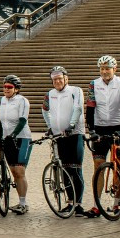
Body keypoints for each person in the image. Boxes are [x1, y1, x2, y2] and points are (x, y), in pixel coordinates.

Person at [86, 55, 120, 218]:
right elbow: (90, 108)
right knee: (98, 165)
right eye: (102, 69)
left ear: (115, 69)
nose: (104, 72)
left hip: (117, 127)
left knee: (117, 165)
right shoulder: (94, 84)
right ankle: (96, 204)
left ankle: (116, 203)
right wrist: (91, 129)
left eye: (107, 68)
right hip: (100, 127)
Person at [42, 67, 87, 216]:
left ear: (66, 78)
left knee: (75, 168)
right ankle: (69, 203)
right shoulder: (50, 94)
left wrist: (72, 125)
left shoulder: (75, 91)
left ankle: (78, 204)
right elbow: (44, 109)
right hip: (59, 136)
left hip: (75, 134)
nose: (57, 81)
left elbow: (78, 108)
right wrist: (50, 126)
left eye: (60, 78)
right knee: (65, 169)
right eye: (54, 79)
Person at [0, 75, 33, 214]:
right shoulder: (2, 100)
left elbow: (23, 120)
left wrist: (14, 134)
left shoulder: (22, 101)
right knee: (13, 172)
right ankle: (20, 201)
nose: (6, 89)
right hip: (8, 139)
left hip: (22, 138)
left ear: (16, 89)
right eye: (4, 86)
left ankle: (23, 204)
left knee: (20, 171)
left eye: (9, 87)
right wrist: (0, 134)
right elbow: (2, 120)